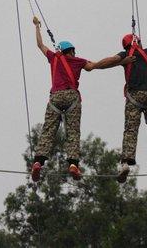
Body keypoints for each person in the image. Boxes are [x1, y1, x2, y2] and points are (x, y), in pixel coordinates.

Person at [31, 16, 133, 182]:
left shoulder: (53, 58)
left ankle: (38, 162)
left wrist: (36, 26)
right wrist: (121, 62)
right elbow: (97, 65)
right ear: (71, 51)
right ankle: (73, 164)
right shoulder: (78, 61)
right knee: (73, 132)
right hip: (71, 97)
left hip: (55, 97)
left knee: (48, 131)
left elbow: (40, 45)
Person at [96, 19, 147, 183]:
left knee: (131, 129)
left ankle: (125, 163)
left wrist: (96, 65)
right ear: (138, 42)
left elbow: (108, 61)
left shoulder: (126, 55)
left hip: (134, 98)